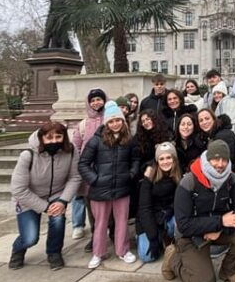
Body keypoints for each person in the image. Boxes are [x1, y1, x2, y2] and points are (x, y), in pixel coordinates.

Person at [164, 140, 235, 282]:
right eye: (216, 159)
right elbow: (183, 225)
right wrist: (218, 222)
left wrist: (220, 227)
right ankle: (173, 259)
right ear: (207, 159)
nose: (220, 164)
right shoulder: (189, 182)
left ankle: (228, 271)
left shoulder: (231, 178)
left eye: (224, 160)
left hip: (218, 230)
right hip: (190, 237)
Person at [8, 122, 81, 270]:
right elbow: (18, 189)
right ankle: (18, 248)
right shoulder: (27, 155)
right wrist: (45, 207)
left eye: (58, 137)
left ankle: (54, 252)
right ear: (42, 138)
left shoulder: (71, 151)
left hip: (56, 194)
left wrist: (63, 201)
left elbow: (75, 177)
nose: (54, 141)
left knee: (58, 219)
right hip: (29, 198)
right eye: (49, 137)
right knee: (30, 238)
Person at [78, 100, 140, 268]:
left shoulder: (129, 140)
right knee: (100, 223)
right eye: (111, 121)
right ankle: (98, 252)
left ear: (123, 121)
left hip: (122, 187)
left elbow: (135, 159)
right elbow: (83, 164)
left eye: (118, 120)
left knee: (122, 221)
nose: (115, 124)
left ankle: (123, 250)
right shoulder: (96, 140)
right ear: (106, 123)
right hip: (100, 189)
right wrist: (94, 179)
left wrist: (131, 175)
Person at [71, 88, 106, 242]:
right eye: (93, 100)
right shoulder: (83, 124)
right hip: (89, 172)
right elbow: (76, 148)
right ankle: (95, 236)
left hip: (107, 169)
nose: (96, 103)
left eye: (99, 99)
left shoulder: (110, 120)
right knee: (91, 206)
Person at [136, 142, 180, 263]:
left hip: (166, 216)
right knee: (147, 256)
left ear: (174, 159)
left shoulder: (178, 176)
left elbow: (180, 202)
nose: (165, 162)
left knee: (179, 220)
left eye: (168, 157)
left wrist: (169, 211)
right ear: (157, 161)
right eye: (161, 159)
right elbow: (144, 209)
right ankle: (155, 238)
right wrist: (153, 237)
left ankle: (169, 237)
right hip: (149, 219)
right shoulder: (149, 177)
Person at [196, 109, 235, 177]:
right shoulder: (207, 136)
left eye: (207, 118)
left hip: (233, 175)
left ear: (214, 119)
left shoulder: (224, 135)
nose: (204, 122)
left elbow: (225, 162)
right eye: (201, 120)